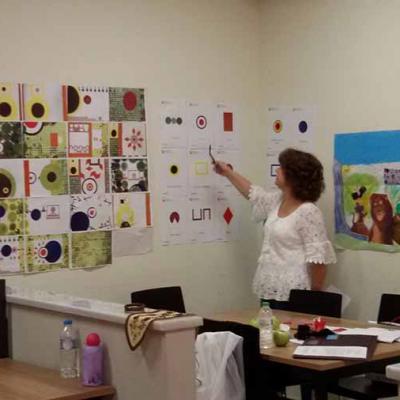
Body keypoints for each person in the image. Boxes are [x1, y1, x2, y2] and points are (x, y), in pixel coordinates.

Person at [214, 148, 336, 310]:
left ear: (293, 177)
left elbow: (319, 260)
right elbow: (254, 195)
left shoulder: (309, 212)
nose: (277, 170)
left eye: (281, 168)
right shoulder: (277, 200)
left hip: (295, 292)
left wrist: (313, 299)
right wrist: (228, 173)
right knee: (267, 326)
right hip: (270, 286)